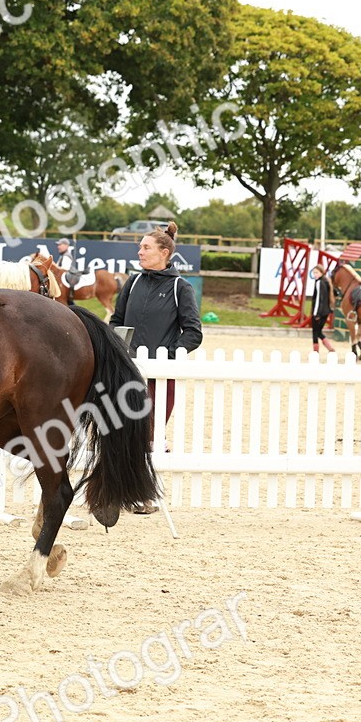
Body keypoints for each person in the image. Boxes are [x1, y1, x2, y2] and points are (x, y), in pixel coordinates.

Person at [109, 220, 203, 513]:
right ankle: (117, 493)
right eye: (140, 247)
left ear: (164, 252)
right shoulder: (133, 282)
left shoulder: (180, 287)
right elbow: (116, 321)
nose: (140, 252)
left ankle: (145, 496)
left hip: (160, 378)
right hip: (127, 371)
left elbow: (193, 332)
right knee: (120, 431)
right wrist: (116, 345)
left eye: (146, 247)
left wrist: (170, 355)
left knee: (149, 434)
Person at [309, 265, 335, 354]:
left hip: (319, 311)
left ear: (321, 272)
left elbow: (319, 299)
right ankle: (330, 348)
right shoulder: (326, 281)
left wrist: (316, 313)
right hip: (326, 311)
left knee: (315, 332)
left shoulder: (319, 282)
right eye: (314, 273)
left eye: (316, 272)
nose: (315, 275)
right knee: (319, 331)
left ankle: (316, 351)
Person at [56, 238, 78, 306]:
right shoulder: (63, 256)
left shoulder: (66, 256)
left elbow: (64, 269)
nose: (58, 247)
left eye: (60, 245)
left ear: (66, 246)